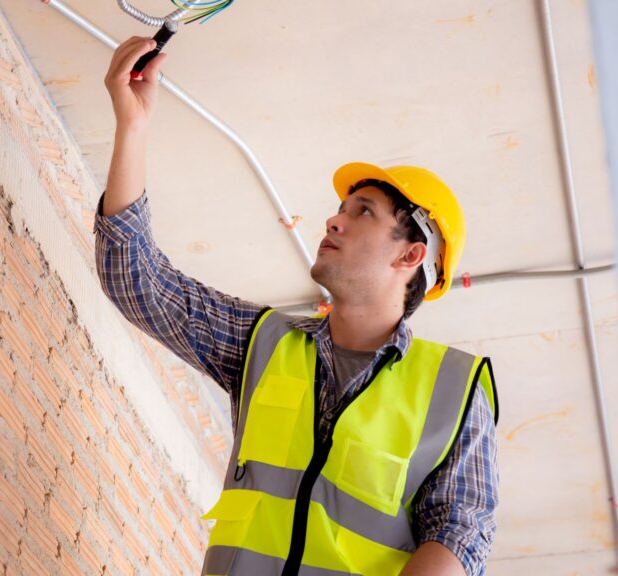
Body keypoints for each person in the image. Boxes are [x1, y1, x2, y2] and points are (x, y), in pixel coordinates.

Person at [95, 37, 499, 576]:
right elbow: (138, 280)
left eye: (363, 212)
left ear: (411, 253)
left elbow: (459, 535)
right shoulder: (264, 343)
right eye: (339, 210)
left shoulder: (454, 392)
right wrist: (133, 127)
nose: (333, 221)